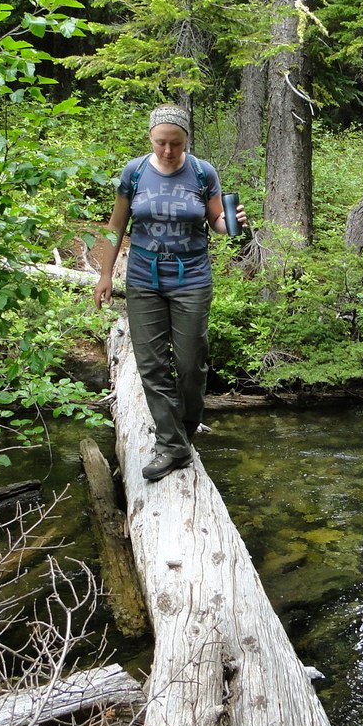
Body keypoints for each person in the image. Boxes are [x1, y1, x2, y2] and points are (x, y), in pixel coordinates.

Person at [93, 104, 247, 482]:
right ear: (150, 138)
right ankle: (172, 445)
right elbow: (116, 226)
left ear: (186, 141)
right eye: (161, 142)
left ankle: (184, 431)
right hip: (144, 278)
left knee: (192, 364)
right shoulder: (135, 172)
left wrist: (231, 223)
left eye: (175, 144)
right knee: (152, 365)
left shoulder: (202, 172)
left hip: (191, 278)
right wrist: (105, 275)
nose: (167, 150)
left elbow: (217, 221)